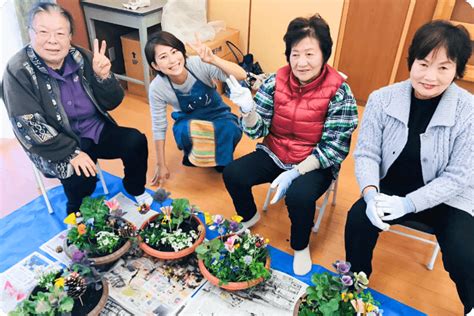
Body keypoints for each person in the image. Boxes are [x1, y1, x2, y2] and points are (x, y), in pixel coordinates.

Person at [345, 20, 473, 314]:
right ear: (411, 61)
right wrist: (370, 194)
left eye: (444, 67)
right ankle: (354, 285)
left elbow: (459, 176)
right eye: (424, 63)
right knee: (357, 222)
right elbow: (366, 154)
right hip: (391, 188)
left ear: (457, 71)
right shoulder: (381, 99)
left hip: (446, 196)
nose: (430, 76)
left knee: (465, 254)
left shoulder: (469, 111)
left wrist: (409, 204)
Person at [223, 14, 358, 275]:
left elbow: (335, 148)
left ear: (324, 55)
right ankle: (249, 215)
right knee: (233, 173)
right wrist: (248, 109)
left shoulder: (340, 92)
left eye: (309, 54)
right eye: (295, 54)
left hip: (314, 162)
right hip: (275, 152)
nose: (301, 62)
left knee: (298, 196)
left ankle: (300, 245)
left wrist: (295, 172)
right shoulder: (275, 81)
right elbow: (258, 130)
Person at [2, 3, 152, 214]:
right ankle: (76, 212)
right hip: (57, 143)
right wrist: (71, 153)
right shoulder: (17, 70)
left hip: (94, 130)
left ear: (70, 36)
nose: (52, 40)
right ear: (30, 33)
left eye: (60, 33)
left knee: (135, 141)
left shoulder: (81, 57)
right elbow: (28, 126)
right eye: (43, 32)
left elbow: (112, 102)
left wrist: (104, 77)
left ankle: (134, 188)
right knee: (81, 175)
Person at [144, 31, 246, 186]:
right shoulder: (157, 87)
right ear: (155, 65)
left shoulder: (198, 64)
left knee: (230, 128)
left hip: (217, 113)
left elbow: (241, 75)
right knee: (185, 131)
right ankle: (197, 155)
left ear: (182, 51)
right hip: (188, 120)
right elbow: (159, 125)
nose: (172, 60)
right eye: (163, 57)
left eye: (174, 52)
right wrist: (160, 164)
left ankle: (219, 159)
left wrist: (214, 59)